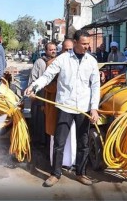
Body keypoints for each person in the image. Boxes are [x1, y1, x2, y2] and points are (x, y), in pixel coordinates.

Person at [24, 30, 100, 186]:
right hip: (65, 106)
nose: (87, 47)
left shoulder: (91, 61)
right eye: (84, 44)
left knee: (83, 143)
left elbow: (95, 86)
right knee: (59, 142)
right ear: (76, 43)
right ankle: (55, 174)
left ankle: (81, 173)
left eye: (88, 44)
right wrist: (34, 86)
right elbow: (47, 76)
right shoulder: (63, 59)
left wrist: (94, 108)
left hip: (83, 108)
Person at [44, 38, 77, 167]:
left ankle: (71, 163)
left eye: (71, 49)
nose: (69, 52)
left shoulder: (77, 63)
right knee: (57, 138)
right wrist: (61, 86)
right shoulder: (52, 63)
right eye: (66, 49)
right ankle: (56, 166)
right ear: (61, 50)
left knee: (72, 136)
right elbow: (47, 85)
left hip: (73, 106)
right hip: (56, 106)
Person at [28, 42, 57, 148]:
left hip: (52, 99)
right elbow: (33, 78)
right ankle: (40, 143)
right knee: (40, 121)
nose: (53, 51)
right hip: (41, 97)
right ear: (46, 51)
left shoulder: (57, 62)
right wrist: (33, 92)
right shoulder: (39, 62)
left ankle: (49, 142)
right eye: (51, 50)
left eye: (54, 49)